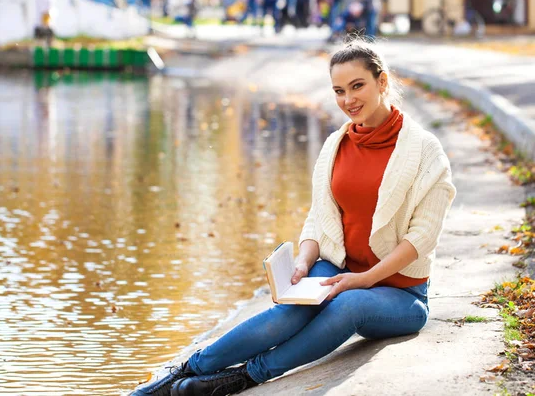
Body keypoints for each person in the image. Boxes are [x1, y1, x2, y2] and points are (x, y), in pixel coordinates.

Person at [129, 38, 457, 396]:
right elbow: (320, 219)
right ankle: (183, 372)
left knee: (347, 305)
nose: (348, 100)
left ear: (382, 82)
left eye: (357, 86)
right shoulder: (336, 145)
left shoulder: (425, 151)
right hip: (341, 269)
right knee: (290, 310)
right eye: (338, 91)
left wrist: (364, 280)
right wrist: (303, 261)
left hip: (400, 293)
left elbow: (421, 239)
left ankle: (246, 377)